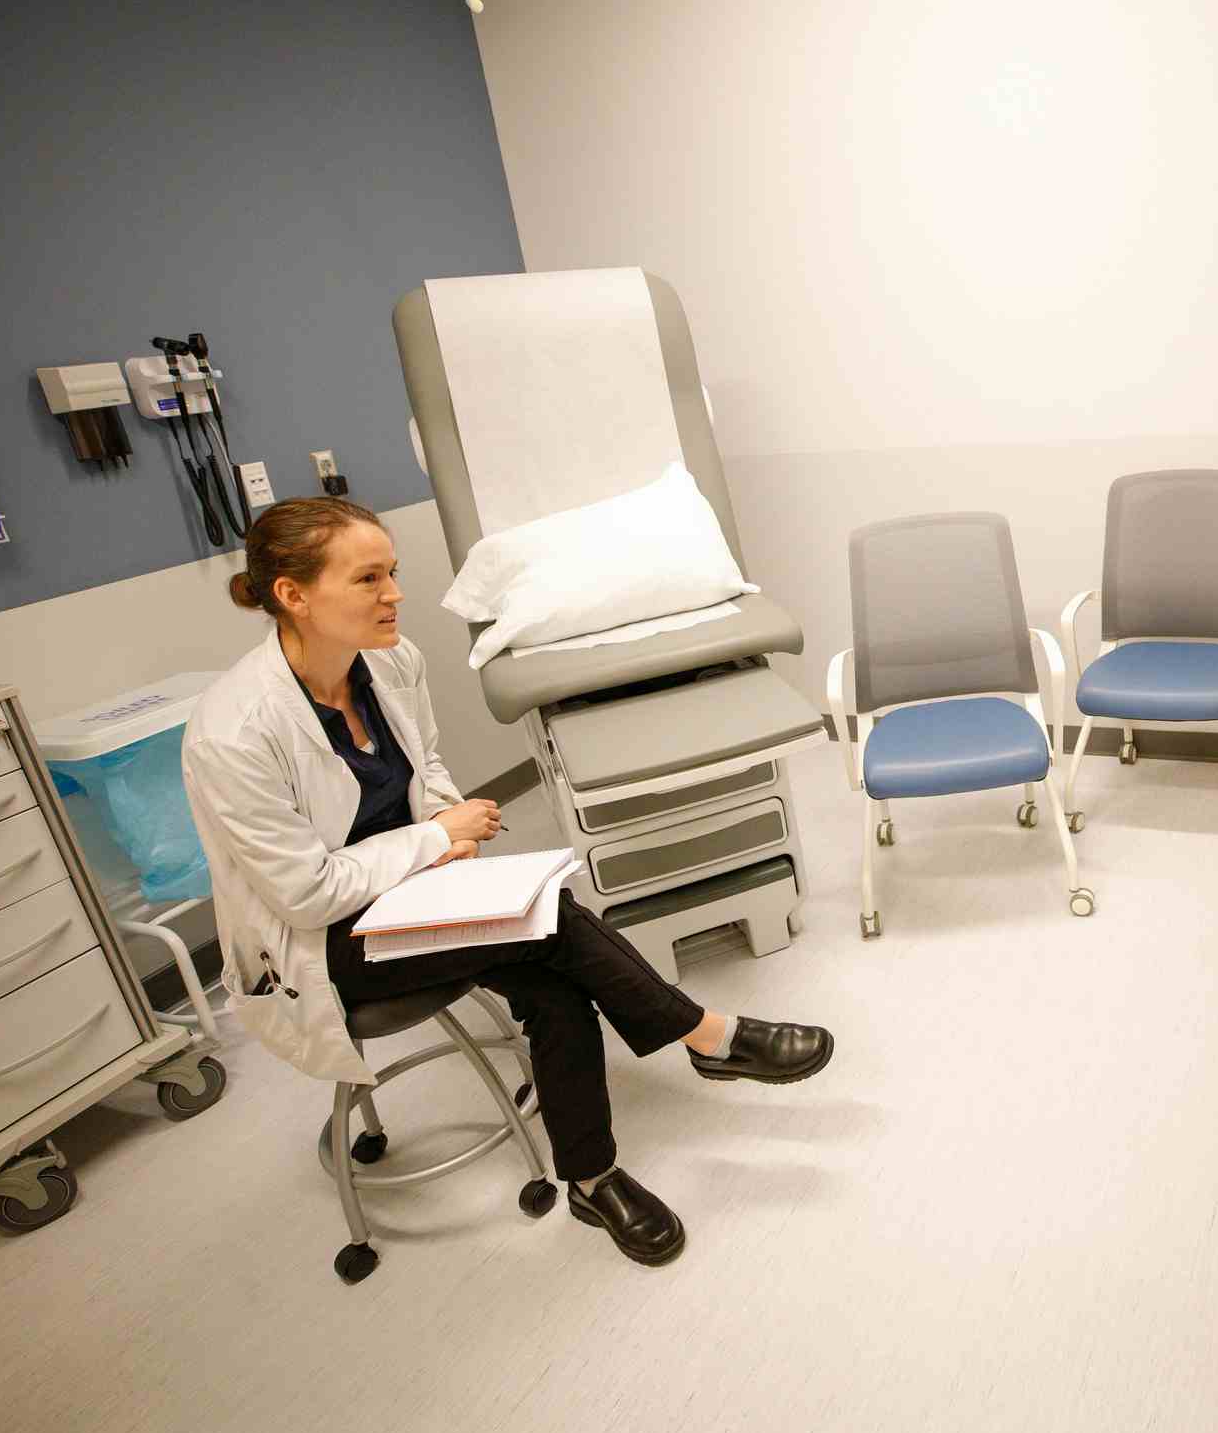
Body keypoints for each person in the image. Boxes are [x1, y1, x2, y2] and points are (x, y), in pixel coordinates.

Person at [183, 497, 834, 1268]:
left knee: (555, 979)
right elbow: (306, 894)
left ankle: (592, 1178)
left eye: (393, 572)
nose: (394, 594)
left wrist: (447, 827)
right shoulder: (234, 732)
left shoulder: (391, 661)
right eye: (367, 579)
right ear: (293, 595)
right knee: (551, 924)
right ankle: (706, 1035)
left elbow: (423, 766)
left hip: (418, 893)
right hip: (324, 947)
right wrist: (436, 839)